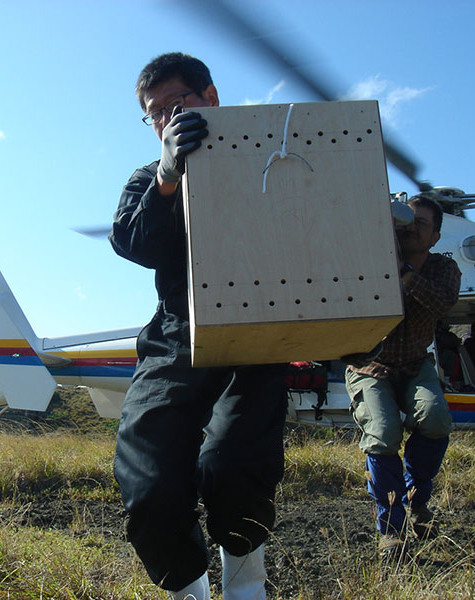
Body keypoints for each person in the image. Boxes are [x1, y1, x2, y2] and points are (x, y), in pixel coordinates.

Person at [109, 52, 288, 600]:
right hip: (175, 338)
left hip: (256, 333)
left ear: (210, 98)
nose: (165, 118)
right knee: (149, 482)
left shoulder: (272, 159)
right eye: (153, 112)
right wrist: (168, 176)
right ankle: (191, 591)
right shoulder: (148, 179)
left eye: (175, 103)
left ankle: (246, 585)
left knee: (234, 468)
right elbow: (135, 243)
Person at [344, 193, 461, 557]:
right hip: (368, 364)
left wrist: (403, 273)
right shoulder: (370, 257)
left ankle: (418, 498)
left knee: (436, 417)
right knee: (382, 433)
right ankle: (391, 528)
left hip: (414, 363)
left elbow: (442, 304)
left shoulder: (444, 269)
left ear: (436, 237)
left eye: (421, 224)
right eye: (406, 222)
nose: (411, 230)